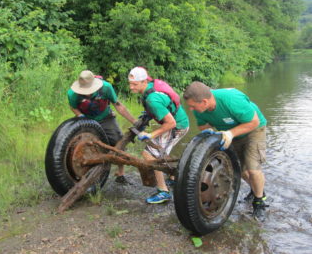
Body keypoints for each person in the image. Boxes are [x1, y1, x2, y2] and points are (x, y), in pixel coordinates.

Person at [183, 81, 268, 221]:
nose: (191, 109)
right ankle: (256, 189)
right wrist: (211, 134)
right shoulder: (200, 111)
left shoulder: (231, 99)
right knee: (239, 170)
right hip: (231, 133)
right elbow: (204, 127)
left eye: (192, 106)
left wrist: (230, 134)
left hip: (254, 129)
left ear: (204, 101)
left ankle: (259, 201)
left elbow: (254, 122)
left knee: (253, 169)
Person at [128, 67, 189, 204]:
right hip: (176, 122)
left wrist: (150, 135)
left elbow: (171, 123)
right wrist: (146, 117)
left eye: (135, 84)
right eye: (130, 83)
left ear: (144, 81)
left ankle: (163, 192)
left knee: (149, 154)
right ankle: (173, 177)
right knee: (160, 150)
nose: (131, 87)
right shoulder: (148, 89)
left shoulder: (152, 99)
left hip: (178, 126)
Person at [68, 70, 137, 184]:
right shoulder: (72, 94)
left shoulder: (106, 87)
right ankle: (82, 174)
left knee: (118, 143)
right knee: (78, 146)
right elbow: (73, 107)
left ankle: (120, 174)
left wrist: (134, 121)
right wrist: (81, 116)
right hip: (86, 120)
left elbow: (118, 105)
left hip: (106, 118)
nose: (87, 93)